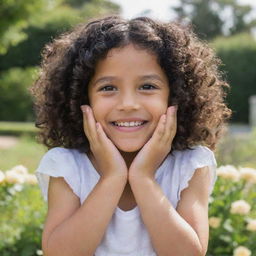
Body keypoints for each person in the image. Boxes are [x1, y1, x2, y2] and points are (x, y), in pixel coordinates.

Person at [30, 15, 232, 256]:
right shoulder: (67, 166)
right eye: (108, 88)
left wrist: (143, 177)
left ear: (177, 96)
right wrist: (113, 177)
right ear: (82, 100)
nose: (128, 104)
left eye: (147, 86)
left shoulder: (189, 165)